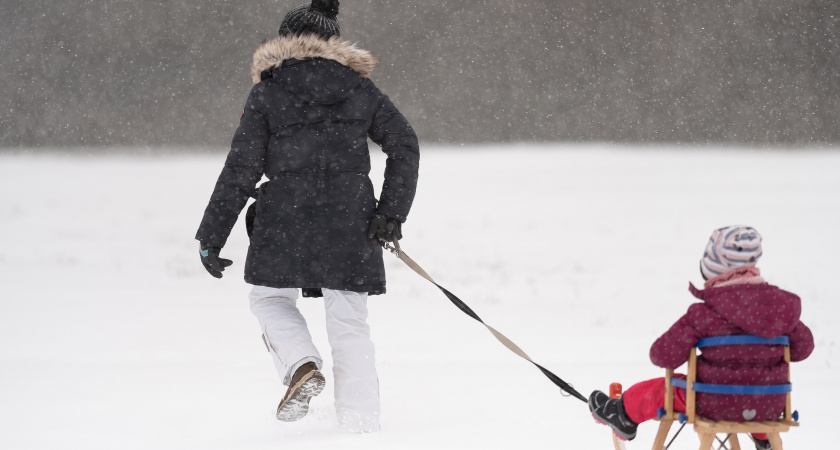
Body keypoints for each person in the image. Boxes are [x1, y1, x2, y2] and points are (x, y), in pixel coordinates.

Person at [194, 0, 420, 433]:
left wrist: (212, 234)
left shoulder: (267, 92)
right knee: (349, 321)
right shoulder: (358, 89)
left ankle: (300, 365)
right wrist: (391, 212)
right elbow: (404, 144)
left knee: (269, 299)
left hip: (284, 216)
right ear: (333, 42)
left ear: (285, 41)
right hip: (350, 219)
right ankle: (361, 429)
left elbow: (242, 168)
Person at [588, 226, 814, 450]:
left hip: (711, 403)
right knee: (751, 391)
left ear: (712, 268)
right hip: (768, 406)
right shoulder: (780, 311)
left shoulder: (704, 314)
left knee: (664, 388)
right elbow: (803, 348)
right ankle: (763, 436)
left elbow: (662, 356)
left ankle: (622, 414)